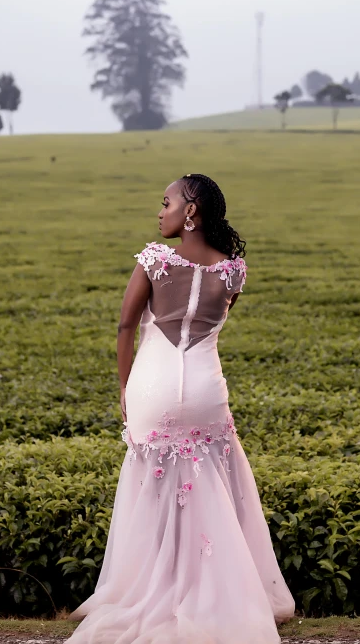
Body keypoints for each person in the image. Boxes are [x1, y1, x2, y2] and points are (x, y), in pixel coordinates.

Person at [65, 173, 295, 644]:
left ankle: (149, 587)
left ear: (190, 210)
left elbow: (126, 327)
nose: (160, 210)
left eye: (166, 201)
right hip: (207, 391)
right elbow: (211, 325)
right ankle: (215, 592)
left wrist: (124, 388)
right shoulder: (232, 270)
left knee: (152, 487)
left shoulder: (154, 259)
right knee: (211, 483)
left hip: (155, 384)